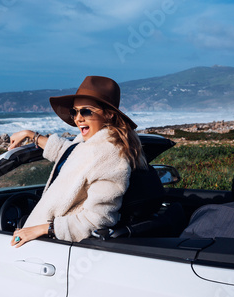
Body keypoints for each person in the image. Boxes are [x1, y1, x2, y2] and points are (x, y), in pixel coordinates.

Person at [9, 76, 147, 247]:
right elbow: (67, 153)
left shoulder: (110, 154)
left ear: (109, 114)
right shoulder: (88, 142)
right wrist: (31, 135)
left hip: (55, 245)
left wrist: (45, 229)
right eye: (75, 111)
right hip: (45, 242)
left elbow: (100, 218)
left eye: (86, 111)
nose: (78, 118)